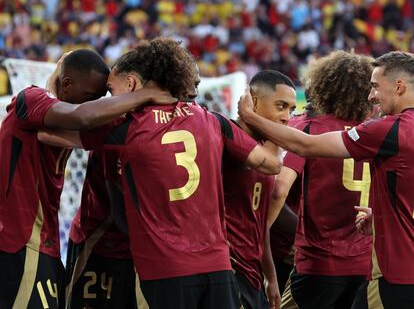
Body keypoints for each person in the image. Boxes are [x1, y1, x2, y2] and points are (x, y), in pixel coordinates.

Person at [39, 37, 282, 309]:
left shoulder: (121, 127)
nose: (106, 97)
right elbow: (271, 165)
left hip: (150, 258)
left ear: (131, 84)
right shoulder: (211, 119)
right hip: (204, 262)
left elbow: (48, 129)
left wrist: (52, 84)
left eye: (109, 89)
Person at [0, 48, 174, 309]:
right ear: (68, 84)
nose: (96, 104)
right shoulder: (31, 99)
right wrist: (146, 94)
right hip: (19, 242)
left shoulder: (59, 117)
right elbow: (82, 116)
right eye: (92, 97)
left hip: (45, 243)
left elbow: (76, 113)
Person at [238, 51, 414, 308]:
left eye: (375, 86)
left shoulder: (379, 130)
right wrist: (381, 217)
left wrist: (250, 117)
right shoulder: (378, 129)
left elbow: (284, 183)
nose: (371, 95)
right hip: (366, 263)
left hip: (328, 264)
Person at [65, 46, 202, 309]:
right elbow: (119, 211)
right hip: (102, 246)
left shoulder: (185, 126)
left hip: (150, 253)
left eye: (195, 84)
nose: (192, 93)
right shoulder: (118, 129)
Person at [223, 70, 296, 309]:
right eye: (281, 106)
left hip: (252, 271)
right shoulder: (225, 138)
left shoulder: (262, 151)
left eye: (291, 110)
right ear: (253, 101)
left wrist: (271, 277)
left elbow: (258, 222)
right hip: (227, 267)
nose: (286, 117)